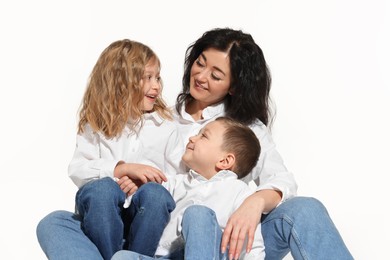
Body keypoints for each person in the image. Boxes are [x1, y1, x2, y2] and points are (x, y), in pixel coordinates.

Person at [172, 27, 354, 260]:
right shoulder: (161, 121)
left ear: (234, 86)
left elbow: (282, 179)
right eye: (200, 63)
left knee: (305, 209)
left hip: (234, 244)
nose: (201, 77)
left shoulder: (247, 128)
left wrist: (254, 202)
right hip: (178, 244)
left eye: (216, 76)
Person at [36, 39, 185, 260]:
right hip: (101, 218)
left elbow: (179, 180)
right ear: (121, 82)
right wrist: (121, 169)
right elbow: (78, 169)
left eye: (158, 77)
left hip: (145, 223)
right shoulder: (95, 124)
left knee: (155, 195)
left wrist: (143, 182)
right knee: (100, 191)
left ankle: (134, 257)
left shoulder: (167, 126)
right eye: (147, 78)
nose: (157, 86)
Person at [112, 116, 265, 260]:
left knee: (198, 214)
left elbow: (253, 244)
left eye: (203, 136)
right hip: (165, 256)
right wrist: (137, 183)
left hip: (211, 254)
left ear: (225, 161)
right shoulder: (176, 183)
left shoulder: (239, 192)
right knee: (122, 257)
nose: (192, 138)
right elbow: (140, 202)